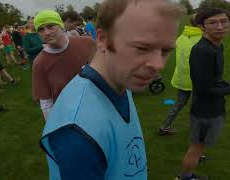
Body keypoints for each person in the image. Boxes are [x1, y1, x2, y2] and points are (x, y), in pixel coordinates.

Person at [39, 0, 184, 179]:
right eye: (142, 48)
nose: (158, 64)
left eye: (165, 51)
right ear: (102, 40)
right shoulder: (76, 132)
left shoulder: (121, 80)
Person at [177, 8, 230, 180]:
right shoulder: (203, 51)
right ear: (202, 27)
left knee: (199, 147)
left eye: (224, 21)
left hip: (213, 108)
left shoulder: (216, 47)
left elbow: (215, 80)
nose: (220, 26)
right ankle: (185, 177)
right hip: (205, 111)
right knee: (196, 149)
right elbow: (203, 89)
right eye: (213, 23)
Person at [32, 10, 96, 120]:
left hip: (96, 107)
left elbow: (104, 74)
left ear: (61, 26)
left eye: (50, 26)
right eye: (41, 30)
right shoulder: (39, 63)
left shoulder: (87, 43)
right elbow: (46, 102)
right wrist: (53, 129)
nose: (46, 33)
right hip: (69, 118)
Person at [158, 15, 203, 135]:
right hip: (196, 80)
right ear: (200, 25)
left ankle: (164, 126)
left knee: (179, 104)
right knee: (198, 107)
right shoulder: (203, 39)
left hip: (181, 78)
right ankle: (197, 132)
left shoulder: (181, 37)